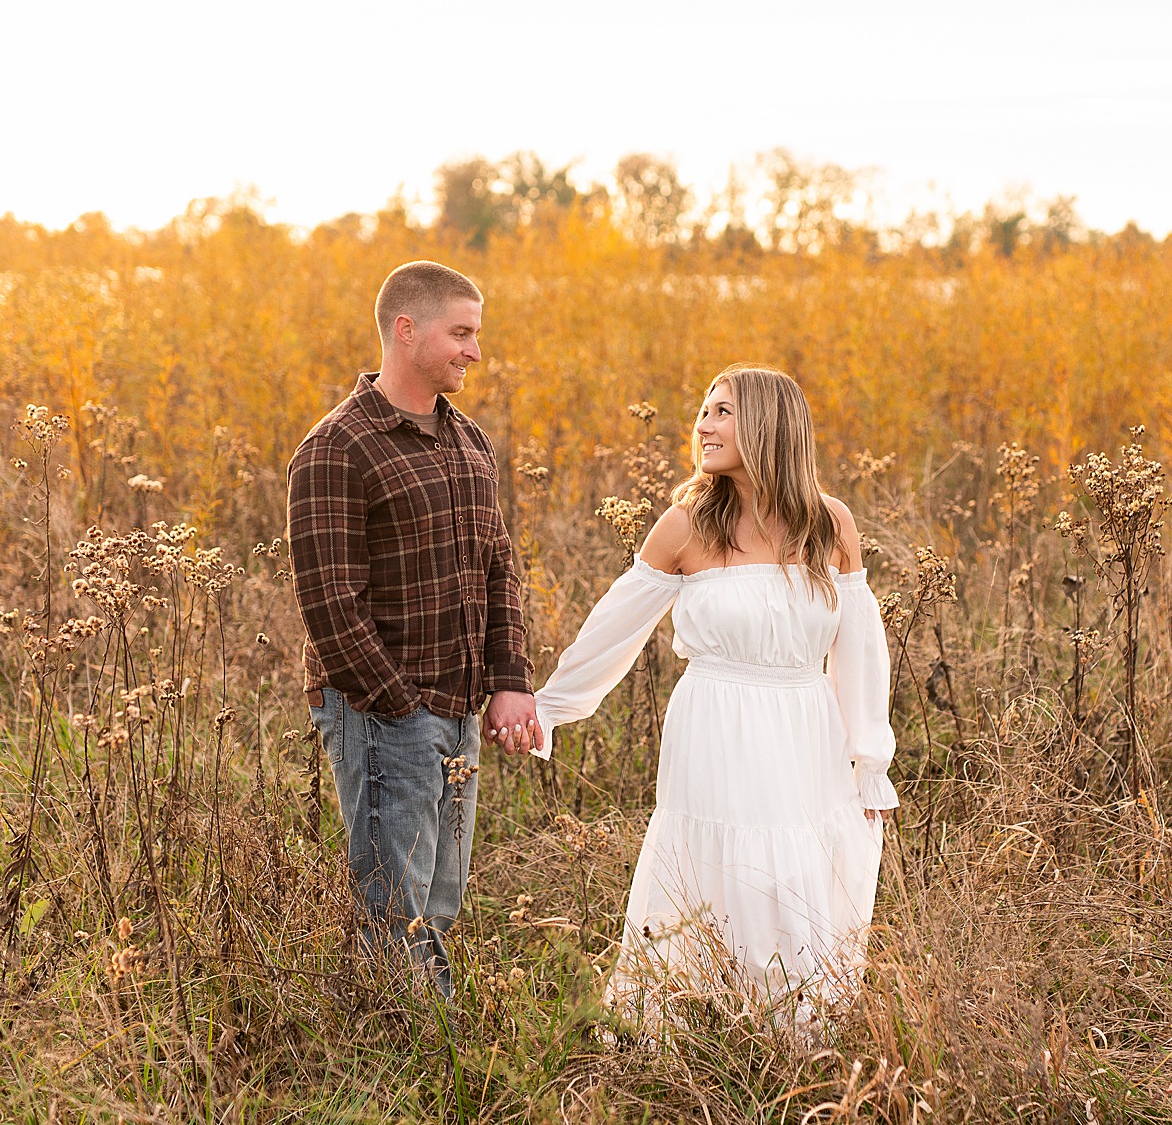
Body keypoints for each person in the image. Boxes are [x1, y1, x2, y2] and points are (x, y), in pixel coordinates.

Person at [520, 364, 898, 1022]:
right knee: (716, 863)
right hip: (716, 723)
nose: (703, 425)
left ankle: (792, 1028)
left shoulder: (829, 523)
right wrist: (549, 707)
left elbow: (861, 651)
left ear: (768, 425)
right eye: (704, 410)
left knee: (793, 869)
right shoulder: (686, 525)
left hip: (805, 728)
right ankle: (687, 1021)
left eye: (723, 411)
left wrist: (869, 763)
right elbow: (614, 629)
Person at [287, 260, 542, 995]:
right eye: (461, 333)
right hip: (382, 708)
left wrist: (508, 682)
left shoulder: (469, 442)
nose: (475, 351)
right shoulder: (338, 447)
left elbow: (498, 567)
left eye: (476, 334)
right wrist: (401, 707)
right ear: (406, 330)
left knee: (439, 899)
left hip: (459, 707)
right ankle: (398, 1045)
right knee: (394, 909)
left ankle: (430, 1036)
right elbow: (330, 602)